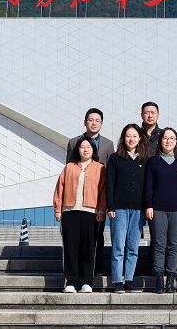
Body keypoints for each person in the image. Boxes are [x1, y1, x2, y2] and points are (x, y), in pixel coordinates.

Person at [53, 136, 107, 293]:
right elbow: (59, 189)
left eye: (89, 147)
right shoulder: (69, 167)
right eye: (82, 147)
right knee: (71, 247)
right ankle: (71, 281)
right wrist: (58, 209)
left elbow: (103, 191)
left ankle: (86, 281)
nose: (85, 149)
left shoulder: (100, 168)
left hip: (91, 212)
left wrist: (101, 210)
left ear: (93, 150)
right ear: (77, 150)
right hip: (70, 211)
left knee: (88, 248)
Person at [66, 108, 115, 276]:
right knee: (76, 237)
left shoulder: (108, 144)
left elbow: (111, 171)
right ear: (85, 122)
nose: (94, 123)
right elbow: (69, 169)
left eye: (97, 121)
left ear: (102, 123)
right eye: (91, 120)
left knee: (97, 233)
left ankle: (97, 265)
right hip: (77, 198)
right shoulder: (74, 142)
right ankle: (77, 269)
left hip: (98, 195)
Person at [106, 124, 149, 293]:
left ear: (140, 139)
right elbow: (109, 183)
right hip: (119, 209)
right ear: (123, 138)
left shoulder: (144, 160)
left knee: (133, 247)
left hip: (138, 210)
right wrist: (110, 206)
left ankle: (129, 280)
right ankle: (118, 280)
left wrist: (146, 207)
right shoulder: (115, 158)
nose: (131, 139)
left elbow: (147, 186)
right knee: (118, 246)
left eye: (135, 136)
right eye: (128, 136)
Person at [143, 128, 177, 294]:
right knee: (159, 244)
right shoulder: (153, 162)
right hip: (158, 209)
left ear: (176, 142)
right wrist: (149, 206)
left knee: (174, 244)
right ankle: (159, 279)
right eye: (165, 138)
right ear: (160, 141)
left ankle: (170, 279)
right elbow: (148, 186)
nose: (168, 141)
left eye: (172, 138)